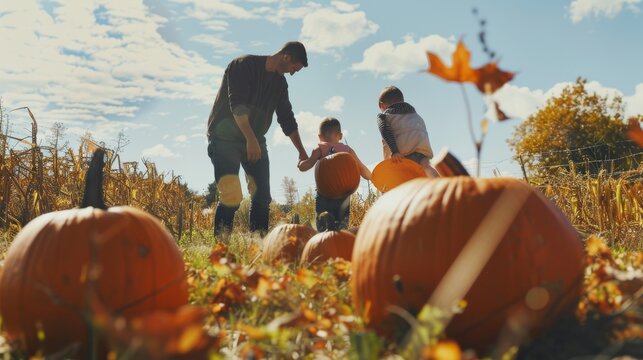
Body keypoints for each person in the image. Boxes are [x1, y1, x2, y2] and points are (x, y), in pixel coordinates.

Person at [207, 41, 309, 237]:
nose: (293, 73)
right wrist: (250, 140)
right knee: (232, 196)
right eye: (294, 69)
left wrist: (302, 152)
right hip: (225, 138)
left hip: (255, 139)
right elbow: (237, 105)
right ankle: (221, 249)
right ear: (286, 57)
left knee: (262, 198)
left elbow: (287, 118)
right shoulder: (243, 65)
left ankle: (258, 247)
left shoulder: (280, 84)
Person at [298, 117, 371, 231]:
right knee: (341, 230)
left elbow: (306, 166)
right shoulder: (347, 150)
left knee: (323, 229)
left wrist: (300, 163)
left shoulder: (320, 149)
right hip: (343, 196)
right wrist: (372, 177)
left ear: (320, 137)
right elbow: (362, 169)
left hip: (324, 195)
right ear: (340, 136)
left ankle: (324, 244)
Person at [377, 86, 440, 177]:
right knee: (427, 166)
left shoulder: (383, 116)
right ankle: (441, 185)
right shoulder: (415, 115)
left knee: (392, 179)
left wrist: (395, 151)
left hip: (402, 155)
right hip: (423, 153)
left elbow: (385, 130)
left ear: (382, 105)